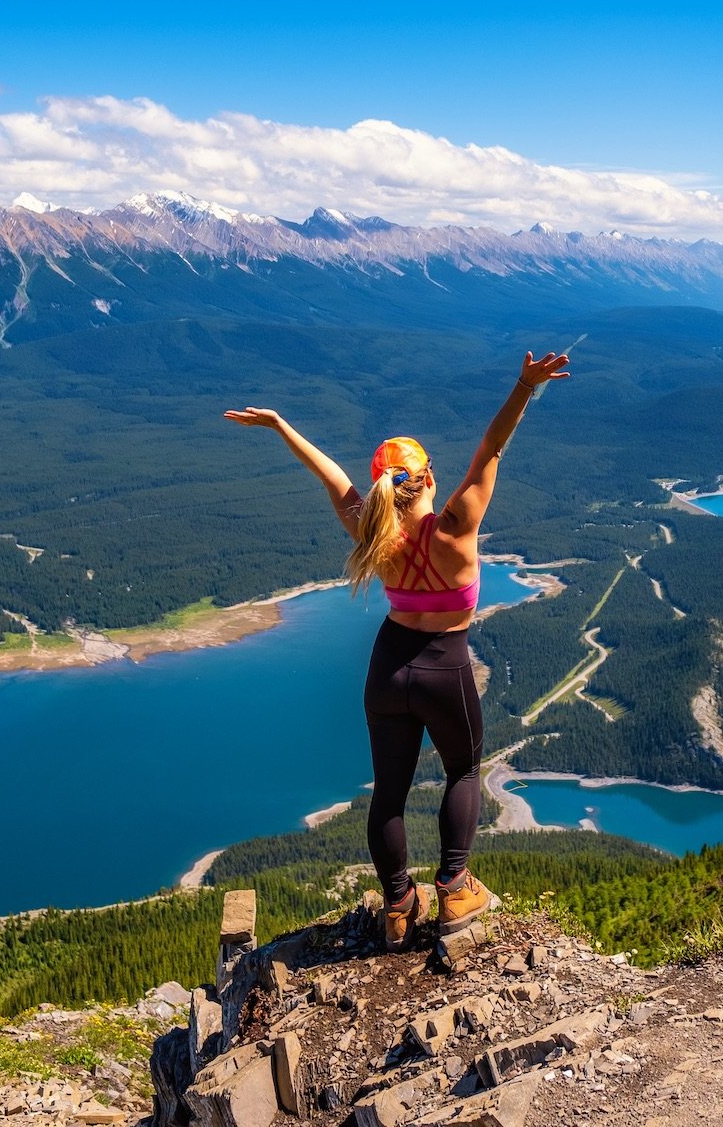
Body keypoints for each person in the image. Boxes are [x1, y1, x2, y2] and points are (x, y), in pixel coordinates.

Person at [225, 348, 570, 950]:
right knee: (462, 768)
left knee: (389, 792)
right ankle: (455, 888)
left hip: (388, 665)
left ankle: (397, 905)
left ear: (385, 487)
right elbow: (491, 450)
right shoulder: (456, 526)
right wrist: (524, 385)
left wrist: (281, 426)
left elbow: (331, 480)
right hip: (444, 664)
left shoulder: (370, 528)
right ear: (430, 478)